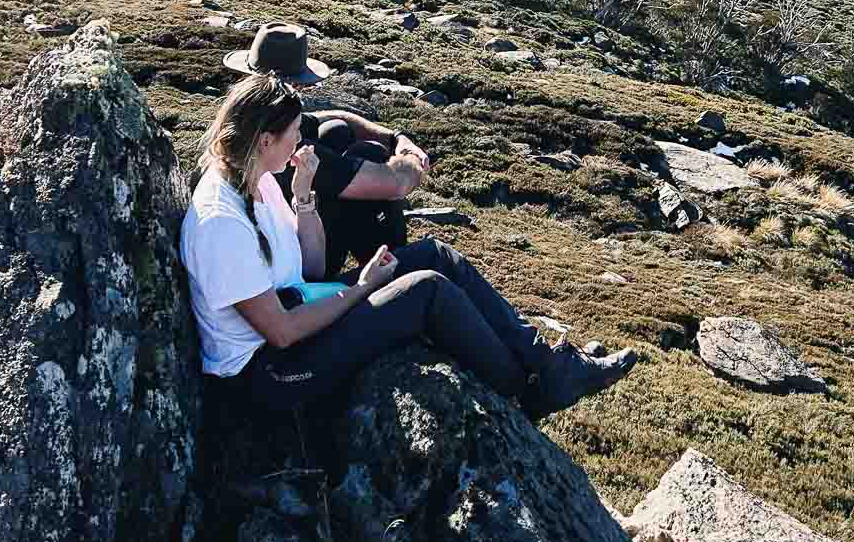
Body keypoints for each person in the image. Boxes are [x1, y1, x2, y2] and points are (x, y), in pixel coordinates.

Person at [180, 70, 636, 417]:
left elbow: (312, 271)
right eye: (294, 133)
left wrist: (303, 197)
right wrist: (360, 289)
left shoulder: (260, 182)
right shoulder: (222, 221)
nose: (301, 139)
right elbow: (281, 331)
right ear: (264, 140)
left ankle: (548, 363)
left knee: (435, 254)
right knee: (426, 291)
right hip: (267, 376)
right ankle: (526, 392)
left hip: (297, 313)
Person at [225, 22, 427, 273]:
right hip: (306, 268)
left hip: (288, 241)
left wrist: (396, 137)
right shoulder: (290, 149)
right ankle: (394, 271)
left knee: (336, 129)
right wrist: (412, 156)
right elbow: (396, 183)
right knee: (368, 155)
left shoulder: (248, 123)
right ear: (295, 85)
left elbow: (335, 116)